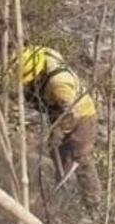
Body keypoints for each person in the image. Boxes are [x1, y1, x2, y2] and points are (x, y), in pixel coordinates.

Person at [16, 45, 101, 209]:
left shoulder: (59, 85)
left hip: (81, 115)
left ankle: (92, 202)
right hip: (59, 110)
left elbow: (69, 114)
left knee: (81, 158)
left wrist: (58, 132)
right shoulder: (36, 55)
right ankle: (61, 187)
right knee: (59, 156)